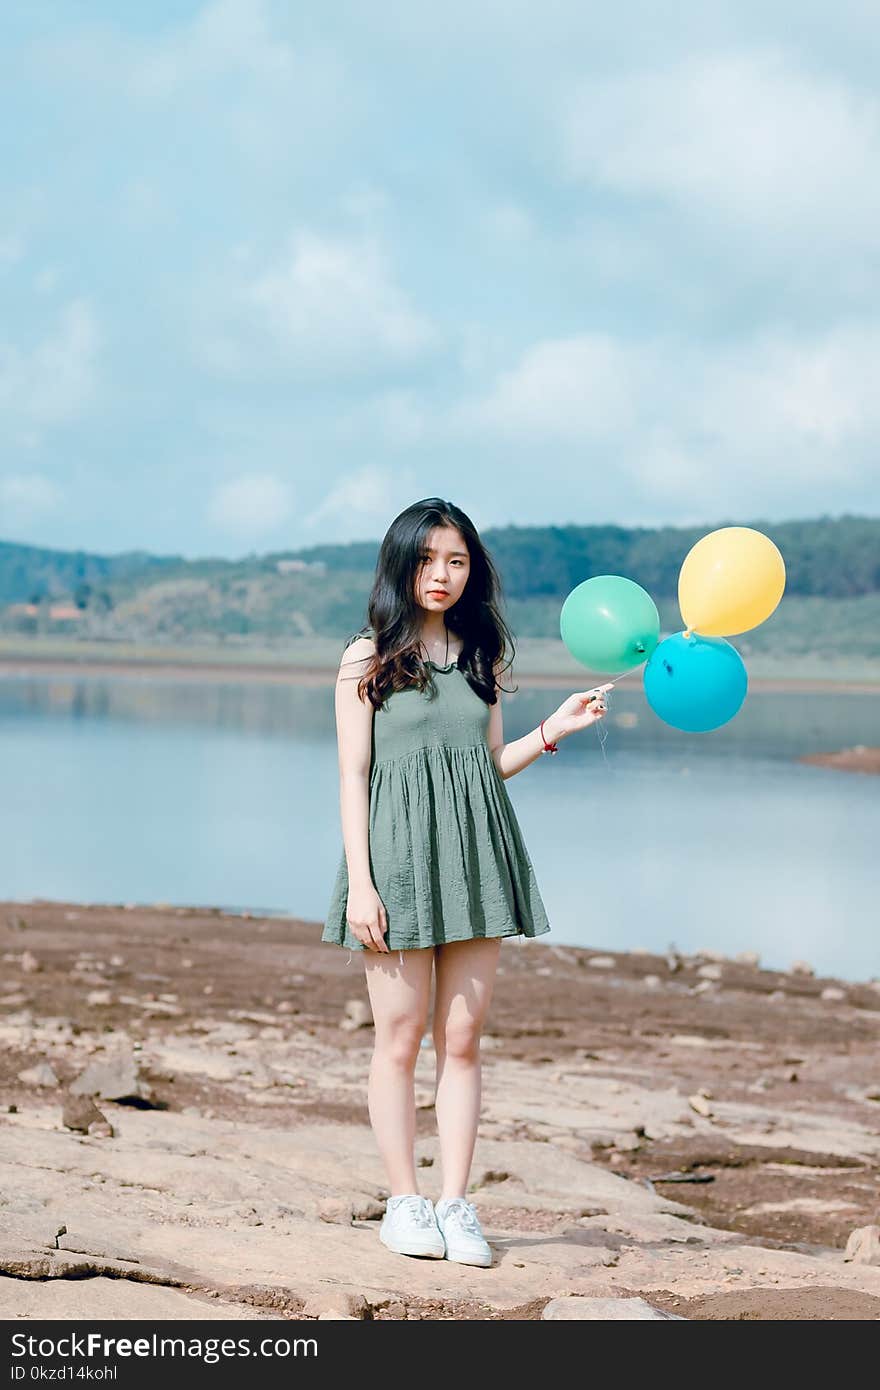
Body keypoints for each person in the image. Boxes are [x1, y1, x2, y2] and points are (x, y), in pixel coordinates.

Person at [321, 499, 609, 1267]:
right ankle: (403, 1200)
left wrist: (552, 729)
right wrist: (362, 884)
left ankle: (455, 1203)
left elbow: (484, 769)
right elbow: (354, 776)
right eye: (426, 559)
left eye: (455, 560)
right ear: (401, 564)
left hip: (475, 857)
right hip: (396, 860)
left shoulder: (482, 658)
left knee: (464, 1038)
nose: (441, 574)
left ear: (471, 567)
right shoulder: (365, 657)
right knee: (400, 1036)